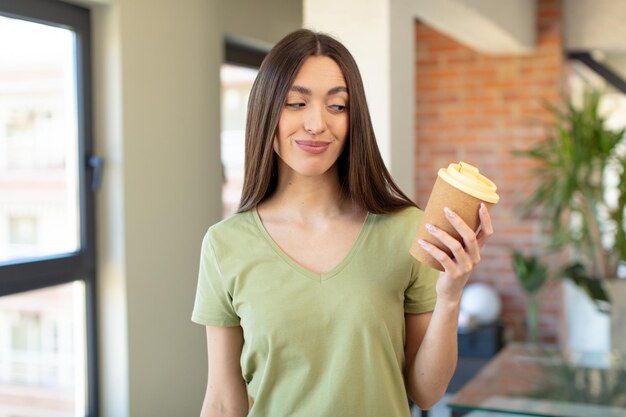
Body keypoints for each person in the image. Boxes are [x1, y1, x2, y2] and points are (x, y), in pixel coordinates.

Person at [192, 29, 493, 417]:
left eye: (337, 107)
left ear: (354, 120)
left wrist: (451, 296)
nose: (317, 123)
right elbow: (221, 400)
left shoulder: (406, 231)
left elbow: (427, 391)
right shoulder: (225, 245)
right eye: (296, 103)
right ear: (267, 111)